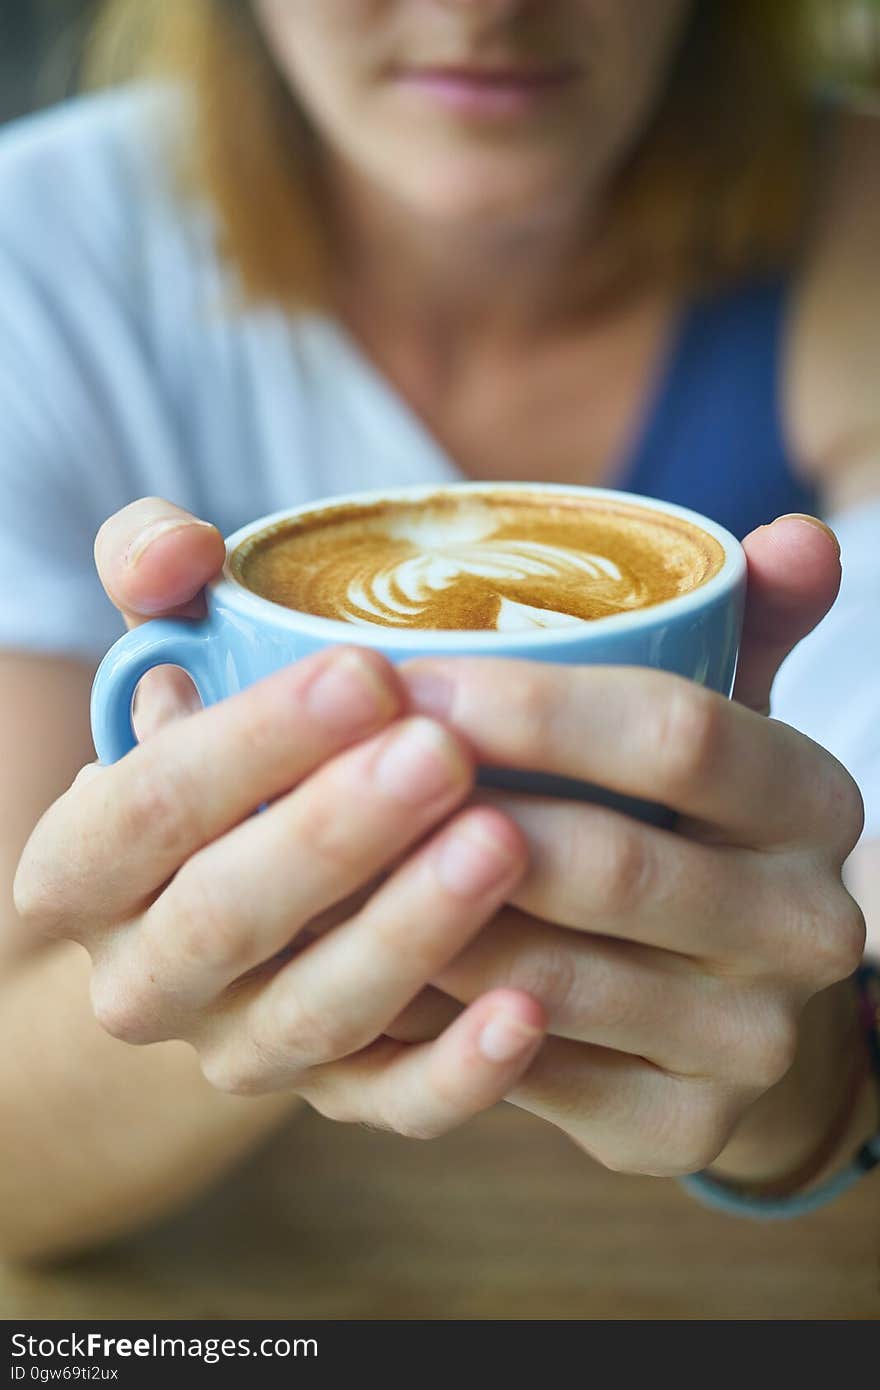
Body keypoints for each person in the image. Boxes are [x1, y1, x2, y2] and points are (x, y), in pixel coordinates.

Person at [0, 0, 877, 1262]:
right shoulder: (43, 256)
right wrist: (236, 949)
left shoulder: (856, 230)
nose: (482, 13)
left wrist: (805, 1084)